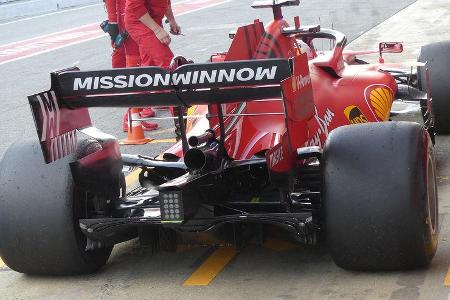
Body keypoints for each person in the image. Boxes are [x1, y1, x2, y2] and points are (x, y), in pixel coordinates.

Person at [104, 0, 158, 131]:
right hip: (129, 18)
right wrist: (113, 23)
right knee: (138, 66)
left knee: (144, 63)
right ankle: (131, 118)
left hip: (137, 15)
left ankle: (136, 113)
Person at [125, 0, 181, 69]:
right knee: (165, 59)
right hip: (138, 22)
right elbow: (135, 6)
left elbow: (166, 1)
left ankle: (148, 77)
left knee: (150, 62)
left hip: (153, 19)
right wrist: (157, 30)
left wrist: (172, 20)